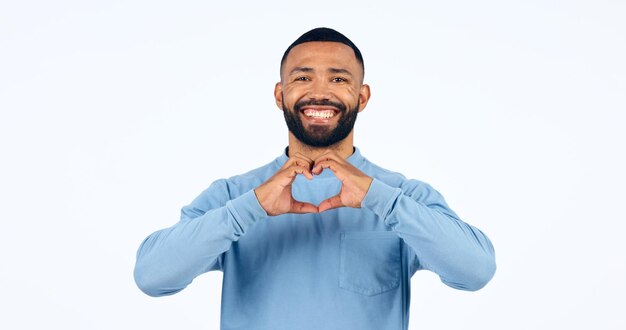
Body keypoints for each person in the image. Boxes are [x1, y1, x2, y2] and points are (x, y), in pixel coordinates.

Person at [134, 27, 496, 329]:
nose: (320, 92)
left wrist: (380, 199)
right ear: (280, 95)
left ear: (362, 96)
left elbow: (475, 271)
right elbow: (152, 277)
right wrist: (250, 209)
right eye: (302, 77)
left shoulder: (402, 196)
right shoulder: (235, 195)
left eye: (338, 78)